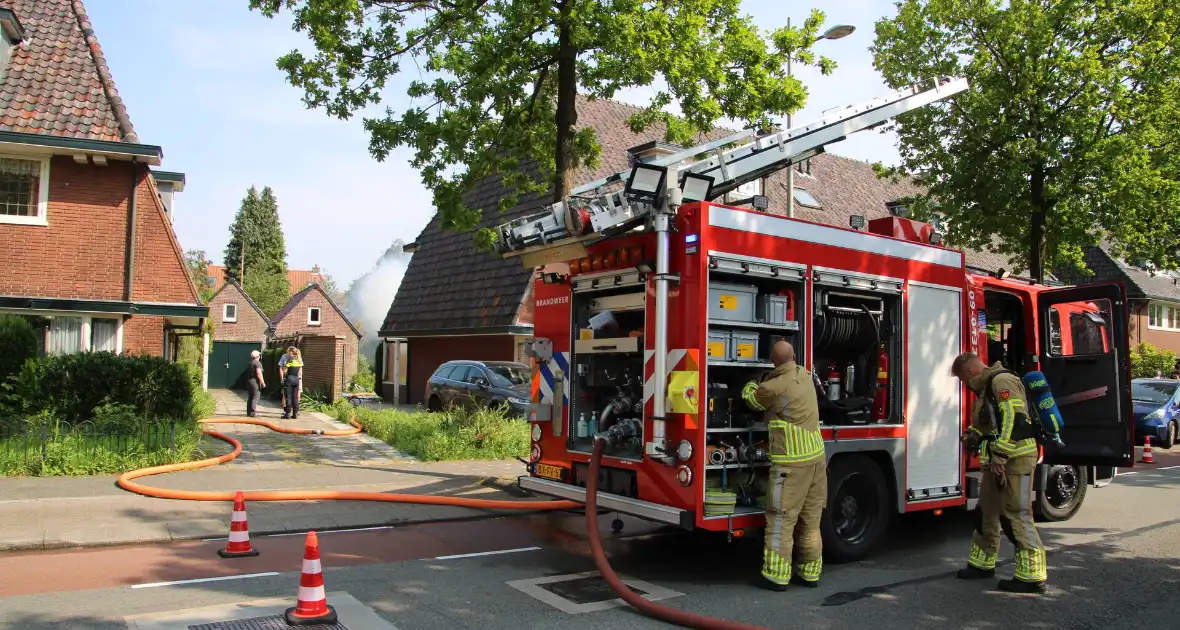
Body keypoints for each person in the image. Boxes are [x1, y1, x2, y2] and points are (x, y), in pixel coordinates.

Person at [952, 352, 1047, 594]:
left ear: (970, 372)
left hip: (1015, 461)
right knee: (986, 513)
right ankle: (982, 564)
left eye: (964, 380)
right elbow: (992, 423)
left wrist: (1000, 456)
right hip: (998, 463)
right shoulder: (987, 388)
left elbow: (1014, 421)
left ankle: (1032, 576)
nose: (965, 385)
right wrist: (972, 434)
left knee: (1017, 514)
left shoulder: (1001, 382)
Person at [740, 340, 826, 591]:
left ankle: (776, 576)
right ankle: (810, 574)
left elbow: (752, 401)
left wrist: (750, 381)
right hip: (816, 460)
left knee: (781, 520)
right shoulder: (804, 374)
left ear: (772, 361)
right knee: (810, 521)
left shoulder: (774, 387)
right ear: (794, 356)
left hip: (791, 464)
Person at [282, 346, 304, 419]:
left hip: (289, 379)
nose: (287, 353)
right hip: (296, 379)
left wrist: (284, 376)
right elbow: (300, 372)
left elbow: (284, 371)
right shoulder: (299, 361)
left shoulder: (289, 360)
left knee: (288, 396)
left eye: (288, 351)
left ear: (291, 352)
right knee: (295, 397)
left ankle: (288, 413)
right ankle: (295, 413)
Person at [245, 350, 265, 418]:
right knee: (255, 397)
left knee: (250, 397)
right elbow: (259, 373)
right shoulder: (257, 363)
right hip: (254, 382)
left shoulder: (250, 363)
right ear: (257, 356)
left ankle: (249, 412)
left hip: (249, 381)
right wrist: (262, 382)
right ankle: (253, 413)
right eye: (259, 355)